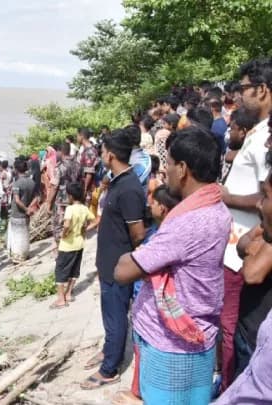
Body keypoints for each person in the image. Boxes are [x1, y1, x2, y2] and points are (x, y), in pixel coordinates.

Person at [114, 127, 231, 404]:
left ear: (183, 168)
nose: (164, 171)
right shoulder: (217, 208)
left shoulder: (187, 222)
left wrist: (137, 255)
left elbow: (122, 272)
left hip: (172, 347)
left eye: (168, 163)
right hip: (186, 338)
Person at [218, 58, 272, 392]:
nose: (238, 97)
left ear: (263, 90)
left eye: (243, 89)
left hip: (251, 255)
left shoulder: (269, 134)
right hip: (240, 248)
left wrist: (226, 197)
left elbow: (265, 196)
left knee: (238, 332)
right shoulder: (258, 131)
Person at [81, 129, 145, 390]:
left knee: (116, 314)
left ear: (111, 154)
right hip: (108, 261)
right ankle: (110, 350)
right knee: (109, 313)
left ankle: (110, 368)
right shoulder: (117, 181)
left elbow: (138, 234)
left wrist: (130, 264)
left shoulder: (129, 188)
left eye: (103, 151)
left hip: (119, 265)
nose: (101, 155)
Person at [113, 185, 181, 405]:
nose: (149, 206)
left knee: (143, 349)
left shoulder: (161, 239)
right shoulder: (164, 233)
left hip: (152, 309)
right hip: (149, 305)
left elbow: (134, 270)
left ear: (162, 208)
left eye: (152, 202)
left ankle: (139, 393)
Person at [215, 163, 272, 404]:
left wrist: (252, 245)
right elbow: (241, 244)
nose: (259, 204)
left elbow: (251, 273)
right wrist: (251, 245)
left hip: (253, 338)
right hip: (249, 327)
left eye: (266, 196)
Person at [51, 183, 94, 308]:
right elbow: (96, 219)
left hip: (67, 245)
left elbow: (66, 224)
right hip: (79, 243)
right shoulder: (84, 208)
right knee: (74, 270)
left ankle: (60, 299)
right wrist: (85, 229)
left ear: (70, 196)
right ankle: (68, 293)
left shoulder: (70, 209)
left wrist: (64, 234)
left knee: (60, 271)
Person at [46, 142, 81, 247]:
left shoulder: (59, 167)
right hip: (74, 199)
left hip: (61, 201)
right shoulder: (77, 165)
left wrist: (49, 203)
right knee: (72, 223)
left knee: (59, 225)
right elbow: (81, 182)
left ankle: (61, 246)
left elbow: (54, 186)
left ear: (60, 152)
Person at [8, 159, 38, 263]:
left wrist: (25, 209)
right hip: (27, 214)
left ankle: (18, 257)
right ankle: (25, 254)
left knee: (17, 235)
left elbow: (17, 200)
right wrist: (30, 208)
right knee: (25, 233)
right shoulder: (32, 182)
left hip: (18, 213)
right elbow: (36, 198)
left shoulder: (17, 183)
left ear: (16, 170)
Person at [77, 128, 99, 201]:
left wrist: (85, 190)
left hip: (87, 189)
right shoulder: (86, 149)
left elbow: (89, 172)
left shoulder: (90, 151)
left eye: (77, 136)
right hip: (82, 186)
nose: (77, 138)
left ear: (81, 136)